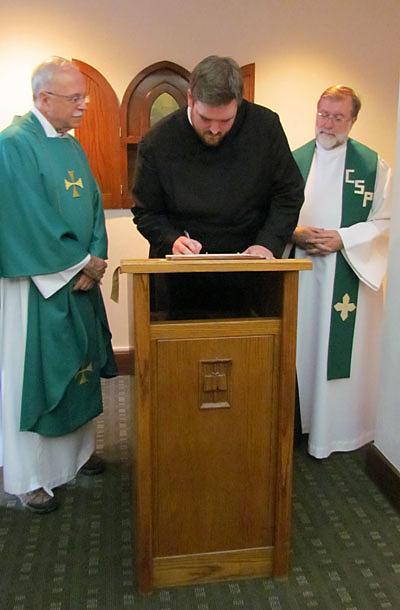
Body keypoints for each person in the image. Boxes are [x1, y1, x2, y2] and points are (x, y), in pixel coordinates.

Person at [0, 57, 117, 513]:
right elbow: (25, 217)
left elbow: (92, 204)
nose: (84, 106)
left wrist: (95, 257)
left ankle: (77, 454)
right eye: (75, 98)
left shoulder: (70, 145)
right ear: (43, 99)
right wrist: (81, 261)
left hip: (77, 278)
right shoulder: (13, 145)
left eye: (84, 96)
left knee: (78, 364)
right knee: (33, 374)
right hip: (36, 287)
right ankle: (29, 477)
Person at [132, 55, 304, 317]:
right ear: (190, 99)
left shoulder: (265, 127)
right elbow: (147, 212)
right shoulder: (158, 142)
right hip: (181, 278)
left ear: (239, 104)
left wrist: (268, 244)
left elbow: (288, 192)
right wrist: (172, 239)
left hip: (251, 271)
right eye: (205, 119)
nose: (214, 129)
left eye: (225, 121)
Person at [291, 85, 391, 459]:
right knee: (303, 347)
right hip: (303, 273)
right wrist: (295, 234)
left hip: (346, 273)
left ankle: (340, 432)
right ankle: (302, 426)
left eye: (337, 117)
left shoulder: (372, 167)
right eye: (322, 114)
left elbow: (387, 222)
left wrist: (344, 240)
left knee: (339, 356)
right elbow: (270, 213)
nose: (327, 124)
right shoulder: (294, 161)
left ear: (353, 120)